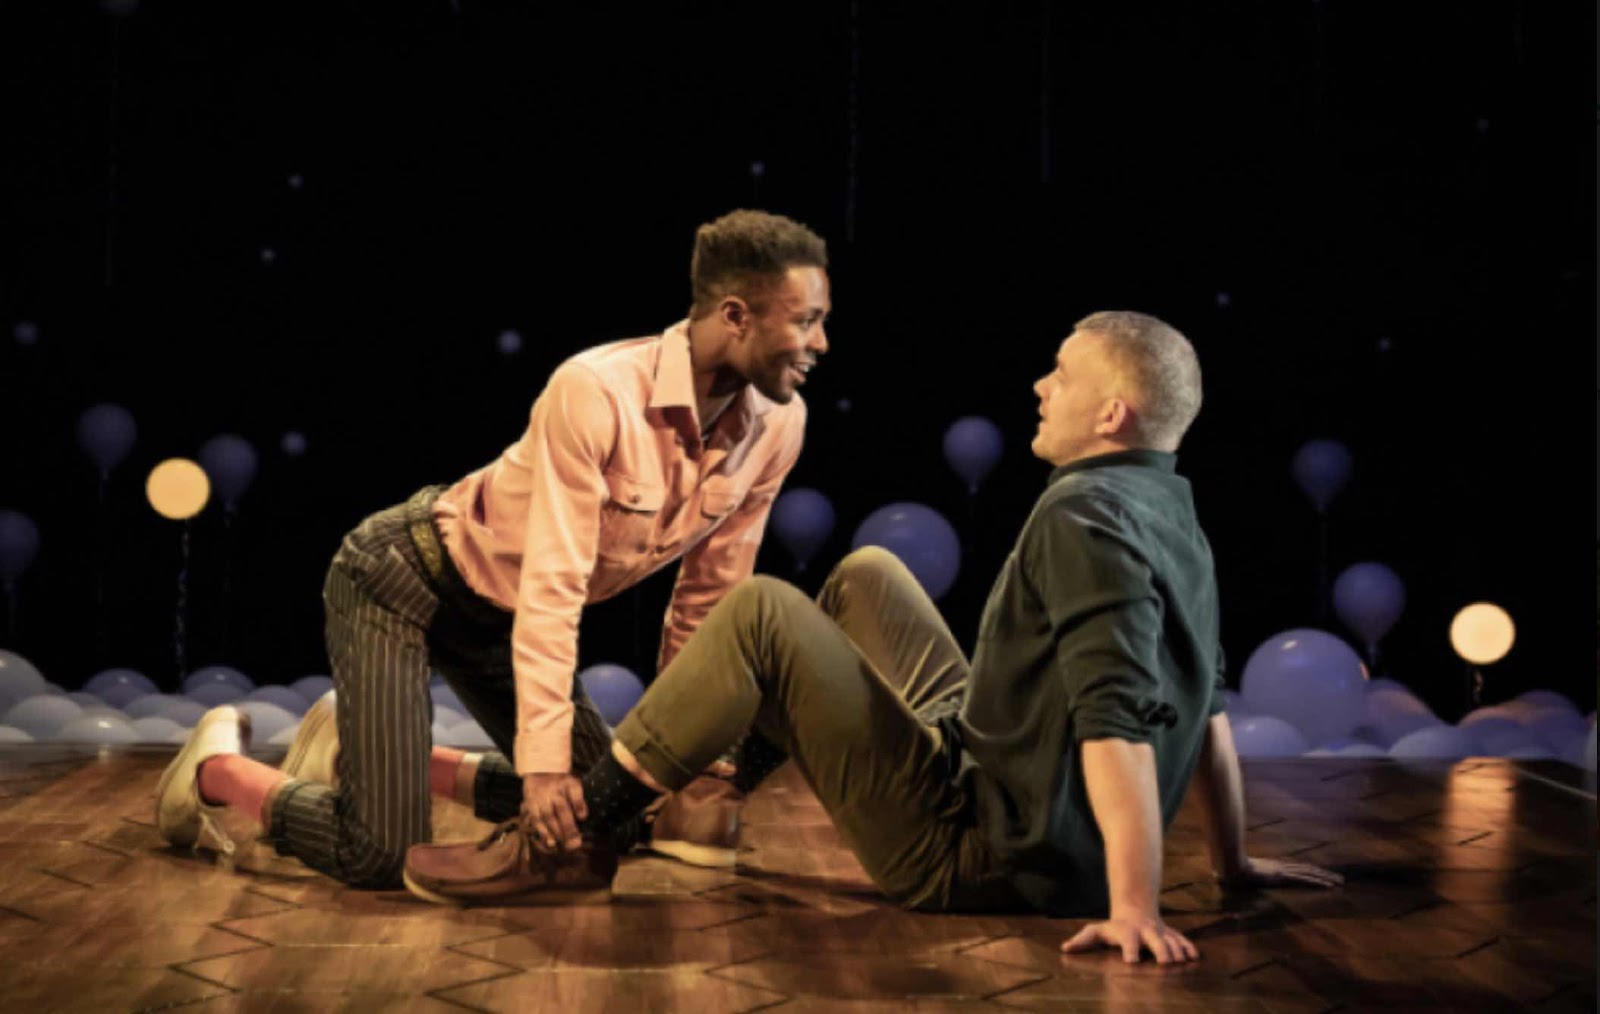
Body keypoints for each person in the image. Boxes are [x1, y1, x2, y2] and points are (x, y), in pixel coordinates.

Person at [403, 310, 1342, 963]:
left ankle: (572, 843)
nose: (1039, 384)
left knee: (761, 611)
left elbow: (1117, 717)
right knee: (867, 576)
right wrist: (1232, 865)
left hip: (978, 851)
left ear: (1110, 416)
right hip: (996, 774)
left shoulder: (1083, 517)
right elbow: (1206, 705)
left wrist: (1132, 905)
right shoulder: (1172, 509)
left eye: (1062, 374)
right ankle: (695, 793)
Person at [154, 209, 832, 887]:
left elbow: (708, 602)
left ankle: (357, 755)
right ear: (735, 315)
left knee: (617, 818)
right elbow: (553, 582)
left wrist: (683, 761)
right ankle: (214, 767)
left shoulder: (780, 425)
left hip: (502, 624)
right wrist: (542, 772)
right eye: (805, 321)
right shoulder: (597, 390)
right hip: (403, 580)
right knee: (378, 854)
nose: (822, 342)